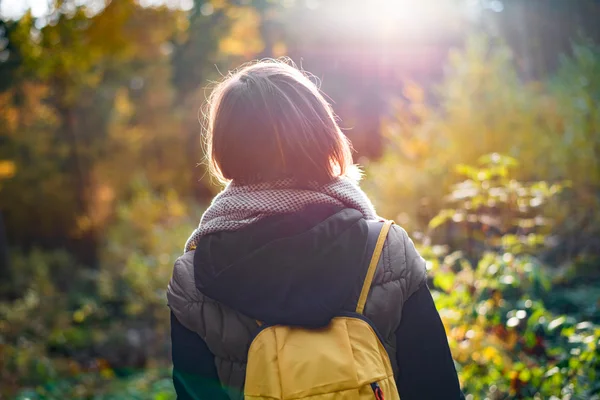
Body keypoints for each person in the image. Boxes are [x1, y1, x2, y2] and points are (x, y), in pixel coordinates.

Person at [167, 59, 464, 400]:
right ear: (323, 135)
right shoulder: (385, 251)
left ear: (224, 148)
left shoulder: (195, 278)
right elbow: (437, 386)